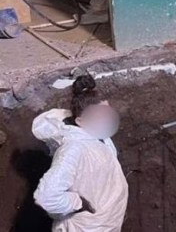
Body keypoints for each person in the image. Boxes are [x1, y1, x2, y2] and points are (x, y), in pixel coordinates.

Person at [33, 74, 128, 232]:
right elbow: (47, 197)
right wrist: (79, 203)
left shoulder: (99, 138)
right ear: (80, 122)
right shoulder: (73, 150)